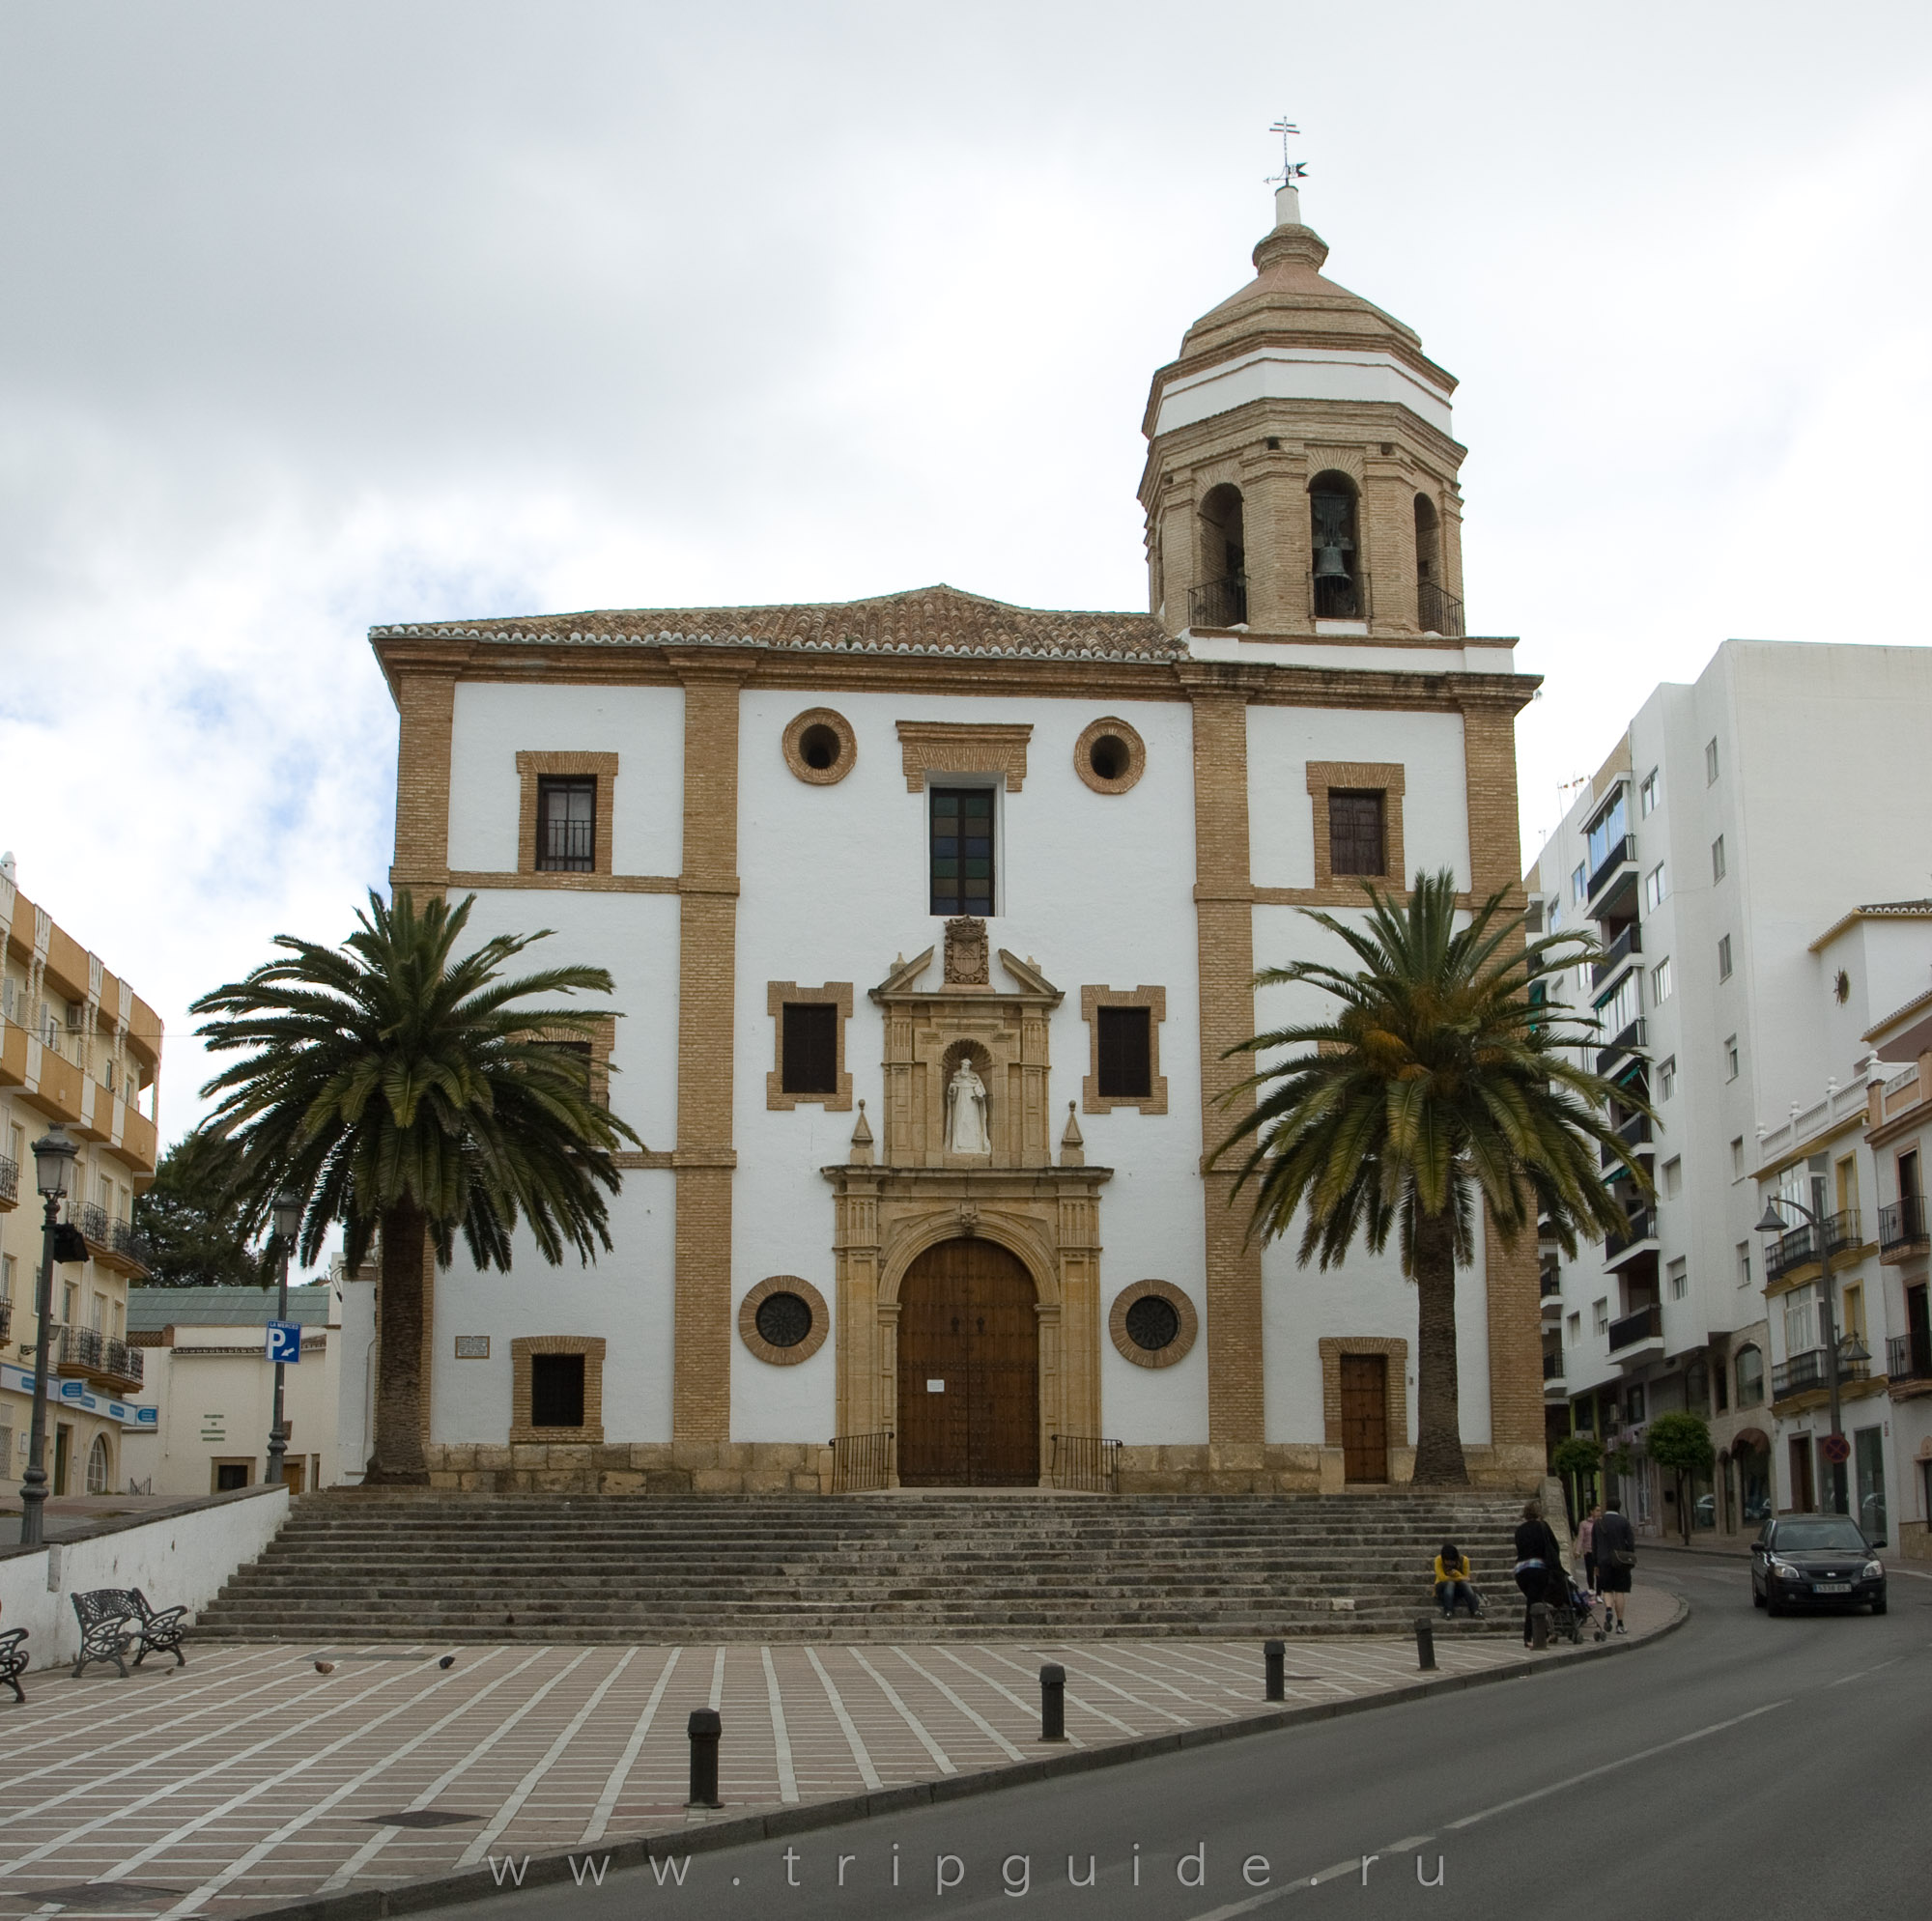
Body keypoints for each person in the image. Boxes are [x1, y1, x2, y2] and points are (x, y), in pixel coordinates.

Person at [1512, 1499, 1566, 1647]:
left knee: (1535, 1600)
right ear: (1539, 1512)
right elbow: (1554, 1547)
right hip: (1538, 1568)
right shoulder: (1542, 1526)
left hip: (1520, 1571)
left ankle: (1545, 1633)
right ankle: (1529, 1637)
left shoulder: (1520, 1530)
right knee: (1534, 1602)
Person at [1593, 1495, 1636, 1634]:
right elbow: (1631, 1543)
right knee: (1620, 1591)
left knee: (1606, 1590)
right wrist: (1629, 1556)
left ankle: (1608, 1609)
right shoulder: (1624, 1522)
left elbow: (1594, 1546)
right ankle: (1620, 1624)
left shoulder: (1598, 1523)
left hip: (1603, 1561)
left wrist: (1596, 1564)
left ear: (1607, 1507)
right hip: (1620, 1561)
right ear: (1619, 1507)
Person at [1433, 1541, 1482, 1619]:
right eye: (1447, 1561)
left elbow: (1466, 1578)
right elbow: (1442, 1578)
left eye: (1452, 1561)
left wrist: (1456, 1573)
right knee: (1450, 1583)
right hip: (1442, 1588)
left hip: (1458, 1589)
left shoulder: (1464, 1560)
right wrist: (1458, 1578)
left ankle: (1475, 1610)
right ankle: (1448, 1611)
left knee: (1465, 1584)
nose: (1450, 1563)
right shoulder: (1438, 1560)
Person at [1577, 1503, 1603, 1593]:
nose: (1599, 1513)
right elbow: (1580, 1538)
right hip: (1589, 1551)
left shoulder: (1602, 1523)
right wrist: (1578, 1550)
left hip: (1600, 1551)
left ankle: (1599, 1593)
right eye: (1597, 1510)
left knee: (1599, 1572)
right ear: (1591, 1512)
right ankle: (1591, 1589)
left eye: (1600, 1510)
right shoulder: (1584, 1524)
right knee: (1590, 1572)